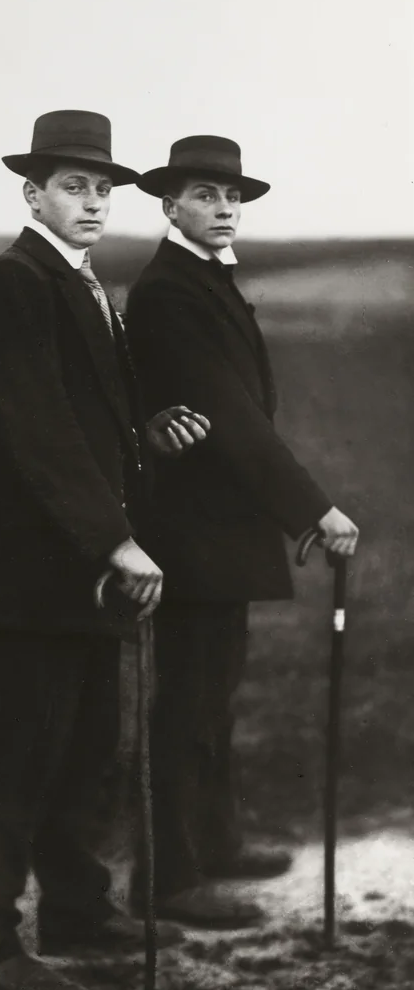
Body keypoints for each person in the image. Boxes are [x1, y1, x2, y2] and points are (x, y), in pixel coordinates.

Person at [0, 110, 211, 990]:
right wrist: (114, 538)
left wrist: (144, 433)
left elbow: (88, 420)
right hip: (40, 568)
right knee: (17, 751)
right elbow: (38, 429)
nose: (93, 201)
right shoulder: (12, 281)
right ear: (33, 193)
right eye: (73, 186)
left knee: (87, 744)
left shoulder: (84, 281)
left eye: (102, 188)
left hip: (88, 565)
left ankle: (74, 908)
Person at [125, 135, 359, 928]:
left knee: (213, 695)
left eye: (231, 197)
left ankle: (215, 842)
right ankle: (169, 876)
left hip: (222, 528)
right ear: (169, 205)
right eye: (204, 195)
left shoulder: (203, 281)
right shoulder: (168, 292)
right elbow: (228, 416)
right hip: (190, 530)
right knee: (187, 701)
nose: (223, 208)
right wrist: (311, 509)